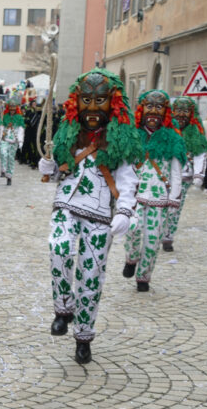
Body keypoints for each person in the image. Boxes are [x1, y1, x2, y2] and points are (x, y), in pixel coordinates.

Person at [37, 69, 142, 364]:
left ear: (113, 103)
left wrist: (125, 210)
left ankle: (83, 336)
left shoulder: (122, 139)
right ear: (77, 101)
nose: (93, 107)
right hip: (66, 205)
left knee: (91, 275)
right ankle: (63, 308)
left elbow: (128, 179)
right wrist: (49, 167)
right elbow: (59, 167)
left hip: (100, 215)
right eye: (86, 100)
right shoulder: (67, 133)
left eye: (100, 100)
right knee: (58, 248)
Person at [122, 90, 186, 292]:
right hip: (135, 196)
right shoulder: (132, 136)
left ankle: (143, 277)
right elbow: (124, 166)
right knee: (132, 230)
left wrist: (174, 198)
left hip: (160, 198)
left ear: (165, 111)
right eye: (149, 106)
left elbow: (176, 171)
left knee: (152, 240)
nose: (153, 112)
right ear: (142, 109)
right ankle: (131, 258)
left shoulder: (173, 139)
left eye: (159, 107)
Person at [162, 97, 207, 252]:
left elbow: (200, 154)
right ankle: (156, 231)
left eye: (186, 111)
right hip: (163, 176)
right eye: (178, 110)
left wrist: (198, 175)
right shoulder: (165, 129)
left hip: (183, 177)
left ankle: (168, 236)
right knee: (160, 204)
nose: (181, 114)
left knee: (175, 207)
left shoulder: (196, 133)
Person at [0, 94, 23, 185]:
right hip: (5, 139)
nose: (12, 109)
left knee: (11, 159)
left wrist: (20, 141)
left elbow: (21, 129)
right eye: (10, 107)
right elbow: (0, 127)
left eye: (13, 107)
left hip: (14, 141)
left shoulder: (19, 118)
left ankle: (9, 176)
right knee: (3, 153)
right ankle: (3, 170)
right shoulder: (4, 116)